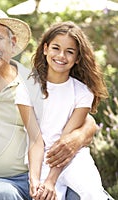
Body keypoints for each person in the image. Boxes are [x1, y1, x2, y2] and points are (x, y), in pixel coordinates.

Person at [0, 6, 98, 200]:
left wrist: (79, 136)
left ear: (12, 43)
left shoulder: (36, 82)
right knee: (3, 195)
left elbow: (84, 119)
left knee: (80, 194)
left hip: (42, 172)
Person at [15, 21, 112, 200]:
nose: (61, 56)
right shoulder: (26, 88)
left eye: (69, 51)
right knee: (43, 195)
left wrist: (52, 180)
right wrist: (35, 179)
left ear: (77, 58)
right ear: (45, 49)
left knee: (93, 194)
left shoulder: (83, 92)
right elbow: (35, 140)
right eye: (56, 48)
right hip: (41, 159)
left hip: (74, 157)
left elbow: (66, 141)